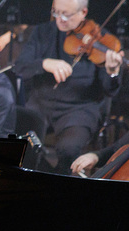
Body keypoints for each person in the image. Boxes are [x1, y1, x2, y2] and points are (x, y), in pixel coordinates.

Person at [14, 0, 123, 174]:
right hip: (41, 103)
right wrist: (44, 63)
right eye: (56, 12)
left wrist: (112, 72)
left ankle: (58, 182)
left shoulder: (103, 43)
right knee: (20, 142)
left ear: (83, 12)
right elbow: (20, 67)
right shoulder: (42, 32)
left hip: (79, 110)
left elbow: (111, 90)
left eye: (66, 14)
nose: (60, 19)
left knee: (68, 149)